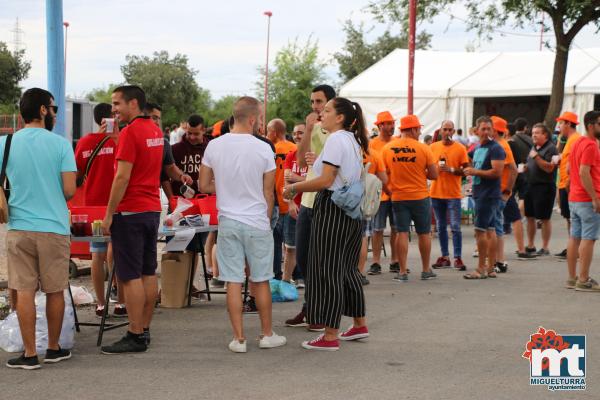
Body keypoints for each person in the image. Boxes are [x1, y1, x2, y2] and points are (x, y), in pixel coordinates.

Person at [200, 96, 287, 353]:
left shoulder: (214, 146)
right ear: (252, 119)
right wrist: (266, 220)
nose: (261, 123)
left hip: (228, 221)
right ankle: (266, 334)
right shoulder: (264, 148)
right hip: (257, 221)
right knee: (260, 280)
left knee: (233, 281)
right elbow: (269, 192)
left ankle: (238, 339)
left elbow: (203, 186)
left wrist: (225, 186)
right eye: (260, 118)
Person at [283, 97, 369, 351]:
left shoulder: (335, 140)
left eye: (327, 110)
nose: (322, 113)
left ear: (340, 117)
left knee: (328, 269)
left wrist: (294, 188)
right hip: (349, 209)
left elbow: (325, 180)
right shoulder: (352, 140)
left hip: (332, 207)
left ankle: (330, 335)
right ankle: (358, 323)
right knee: (346, 269)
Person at [2, 88, 76, 369]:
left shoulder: (5, 144)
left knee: (23, 291)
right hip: (54, 228)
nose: (55, 113)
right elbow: (69, 190)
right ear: (43, 110)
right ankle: (54, 348)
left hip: (19, 227)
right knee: (55, 290)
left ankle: (30, 353)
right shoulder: (60, 145)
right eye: (54, 108)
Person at [100, 85, 164, 354]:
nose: (113, 109)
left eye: (117, 104)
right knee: (148, 272)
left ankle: (134, 333)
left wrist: (108, 213)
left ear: (133, 103)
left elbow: (122, 177)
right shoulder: (155, 130)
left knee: (129, 276)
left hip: (129, 211)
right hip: (151, 209)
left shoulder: (131, 132)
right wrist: (119, 141)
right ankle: (144, 329)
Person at [284, 84, 336, 331]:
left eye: (319, 102)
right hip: (307, 201)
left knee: (322, 260)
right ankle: (310, 308)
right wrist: (307, 129)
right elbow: (299, 156)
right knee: (303, 258)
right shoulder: (315, 128)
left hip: (329, 201)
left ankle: (321, 311)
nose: (315, 107)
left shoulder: (340, 132)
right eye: (312, 102)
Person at [74, 103, 126, 318]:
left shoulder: (85, 142)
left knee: (97, 254)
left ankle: (100, 303)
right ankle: (121, 302)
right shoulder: (121, 141)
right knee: (118, 253)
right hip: (119, 205)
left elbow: (76, 176)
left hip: (94, 208)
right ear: (113, 118)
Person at [381, 114, 438, 282]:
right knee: (423, 233)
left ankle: (403, 271)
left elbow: (383, 175)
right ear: (413, 129)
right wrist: (422, 171)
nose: (420, 132)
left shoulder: (388, 149)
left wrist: (389, 191)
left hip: (398, 197)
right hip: (420, 196)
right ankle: (426, 269)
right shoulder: (424, 149)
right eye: (419, 129)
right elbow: (434, 175)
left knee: (402, 232)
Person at [463, 116, 506, 279]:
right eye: (483, 128)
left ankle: (481, 269)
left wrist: (475, 172)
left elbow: (497, 172)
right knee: (490, 230)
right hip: (481, 193)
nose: (487, 131)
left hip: (488, 195)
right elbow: (468, 157)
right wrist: (466, 168)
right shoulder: (478, 147)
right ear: (476, 131)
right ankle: (490, 268)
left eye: (489, 128)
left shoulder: (496, 148)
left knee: (480, 231)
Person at [566, 110, 600, 291]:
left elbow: (570, 169)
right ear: (591, 125)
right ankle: (584, 279)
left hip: (575, 197)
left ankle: (573, 278)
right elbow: (583, 171)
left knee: (575, 237)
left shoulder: (577, 142)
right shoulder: (590, 145)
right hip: (587, 199)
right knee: (589, 238)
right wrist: (595, 197)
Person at [429, 120, 470, 271]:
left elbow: (466, 170)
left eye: (449, 130)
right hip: (436, 192)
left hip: (453, 193)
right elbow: (426, 169)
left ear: (453, 132)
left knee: (455, 227)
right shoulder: (432, 147)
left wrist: (452, 170)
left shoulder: (460, 148)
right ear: (440, 131)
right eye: (444, 129)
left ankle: (457, 257)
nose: (447, 132)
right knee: (440, 226)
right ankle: (445, 256)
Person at [367, 111, 399, 275]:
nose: (392, 126)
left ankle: (394, 260)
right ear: (379, 126)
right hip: (378, 193)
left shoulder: (398, 143)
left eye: (392, 123)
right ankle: (376, 262)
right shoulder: (372, 144)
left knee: (395, 228)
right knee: (377, 229)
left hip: (395, 192)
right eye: (388, 123)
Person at [267, 118, 297, 281]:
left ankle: (276, 275)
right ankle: (294, 275)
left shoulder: (270, 150)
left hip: (276, 202)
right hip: (292, 200)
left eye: (268, 130)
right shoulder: (295, 149)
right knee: (292, 244)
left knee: (275, 242)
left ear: (274, 132)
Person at [523, 123, 559, 256]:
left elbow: (549, 168)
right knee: (530, 216)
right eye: (532, 133)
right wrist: (527, 167)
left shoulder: (551, 149)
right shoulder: (534, 147)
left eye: (537, 133)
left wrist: (536, 157)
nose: (533, 135)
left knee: (544, 218)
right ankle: (530, 245)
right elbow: (532, 162)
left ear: (545, 135)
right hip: (530, 185)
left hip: (544, 186)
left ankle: (545, 247)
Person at [489, 116, 518, 273]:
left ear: (495, 130)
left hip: (498, 193)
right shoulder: (500, 144)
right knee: (495, 226)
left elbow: (513, 170)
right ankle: (498, 260)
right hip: (498, 192)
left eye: (489, 128)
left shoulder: (501, 146)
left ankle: (499, 260)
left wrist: (507, 191)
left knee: (495, 227)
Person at [505, 118, 535, 260]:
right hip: (513, 180)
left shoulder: (491, 145)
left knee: (488, 220)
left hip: (498, 185)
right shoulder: (513, 144)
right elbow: (517, 164)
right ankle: (521, 249)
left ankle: (479, 250)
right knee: (516, 215)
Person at [358, 147, 388, 284]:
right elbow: (384, 179)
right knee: (363, 237)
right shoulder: (374, 154)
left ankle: (346, 272)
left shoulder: (346, 148)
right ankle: (359, 273)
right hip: (365, 200)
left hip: (345, 198)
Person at [555, 112, 581, 259]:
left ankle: (575, 248)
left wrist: (569, 185)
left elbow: (575, 164)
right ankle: (572, 246)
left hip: (569, 185)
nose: (559, 127)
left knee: (572, 218)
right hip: (565, 184)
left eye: (561, 123)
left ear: (568, 124)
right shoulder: (569, 140)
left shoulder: (575, 139)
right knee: (569, 218)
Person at [282, 147, 309, 286]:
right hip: (295, 207)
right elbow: (287, 181)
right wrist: (291, 203)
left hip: (311, 206)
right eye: (296, 133)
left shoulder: (315, 155)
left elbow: (320, 180)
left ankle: (308, 279)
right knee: (290, 247)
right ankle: (285, 282)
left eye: (301, 133)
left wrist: (296, 178)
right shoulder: (291, 155)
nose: (298, 136)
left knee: (311, 246)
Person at [171, 114, 207, 196]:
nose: (192, 137)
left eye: (196, 134)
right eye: (189, 133)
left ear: (204, 130)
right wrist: (170, 199)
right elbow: (165, 176)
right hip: (181, 202)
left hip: (205, 200)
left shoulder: (211, 148)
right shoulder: (175, 149)